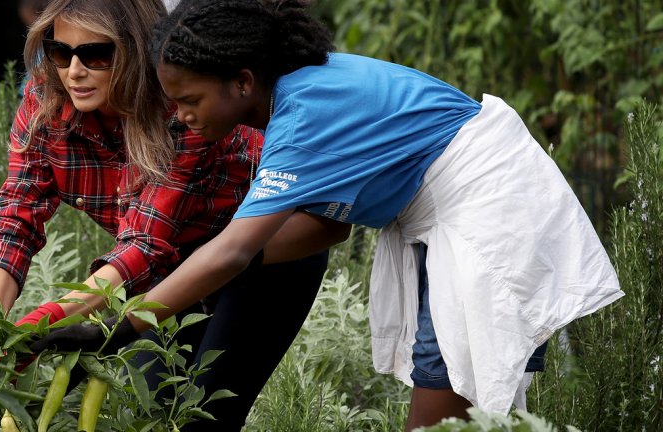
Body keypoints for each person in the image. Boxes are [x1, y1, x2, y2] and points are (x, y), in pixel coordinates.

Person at [31, 0, 623, 430]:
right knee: (453, 391)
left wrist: (127, 324)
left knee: (447, 401)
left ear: (241, 80)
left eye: (189, 101)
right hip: (453, 212)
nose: (180, 117)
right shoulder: (299, 96)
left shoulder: (302, 114)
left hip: (486, 211)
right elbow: (325, 227)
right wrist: (204, 271)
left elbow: (237, 248)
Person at [0, 0, 338, 429]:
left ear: (134, 50)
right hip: (174, 265)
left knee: (203, 415)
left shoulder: (182, 109)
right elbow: (17, 217)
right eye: (59, 52)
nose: (74, 70)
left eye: (96, 54)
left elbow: (144, 246)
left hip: (261, 258)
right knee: (149, 407)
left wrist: (36, 328)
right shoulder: (45, 103)